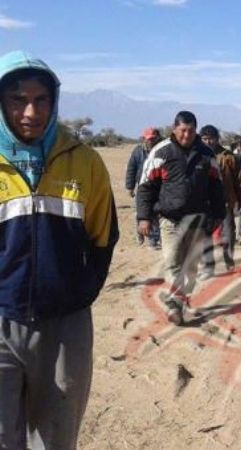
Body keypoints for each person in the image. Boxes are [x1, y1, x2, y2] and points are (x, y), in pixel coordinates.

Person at [0, 50, 118, 449]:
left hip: (64, 326)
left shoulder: (84, 163)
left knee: (56, 437)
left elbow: (104, 238)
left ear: (54, 102)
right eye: (18, 99)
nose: (30, 111)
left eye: (41, 100)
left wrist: (77, 296)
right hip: (0, 320)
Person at [136, 111, 225, 324]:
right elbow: (146, 187)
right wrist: (144, 217)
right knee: (172, 262)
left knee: (192, 267)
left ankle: (182, 298)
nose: (186, 135)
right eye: (183, 130)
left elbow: (217, 187)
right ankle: (175, 303)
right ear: (174, 129)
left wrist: (219, 215)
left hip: (197, 221)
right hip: (170, 220)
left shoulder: (206, 155)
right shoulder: (161, 152)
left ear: (196, 130)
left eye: (191, 131)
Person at [199, 124, 241, 277]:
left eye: (211, 138)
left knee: (229, 233)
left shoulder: (228, 157)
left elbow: (239, 181)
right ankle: (208, 266)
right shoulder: (197, 156)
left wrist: (240, 200)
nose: (208, 142)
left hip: (225, 201)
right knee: (205, 235)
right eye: (204, 139)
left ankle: (229, 261)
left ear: (217, 139)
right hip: (204, 202)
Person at [125, 127, 162, 249]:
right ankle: (140, 232)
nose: (150, 141)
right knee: (142, 212)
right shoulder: (138, 151)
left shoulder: (163, 150)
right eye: (148, 139)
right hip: (142, 187)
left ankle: (153, 239)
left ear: (157, 137)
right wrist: (130, 187)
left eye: (153, 138)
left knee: (156, 212)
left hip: (158, 187)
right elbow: (131, 169)